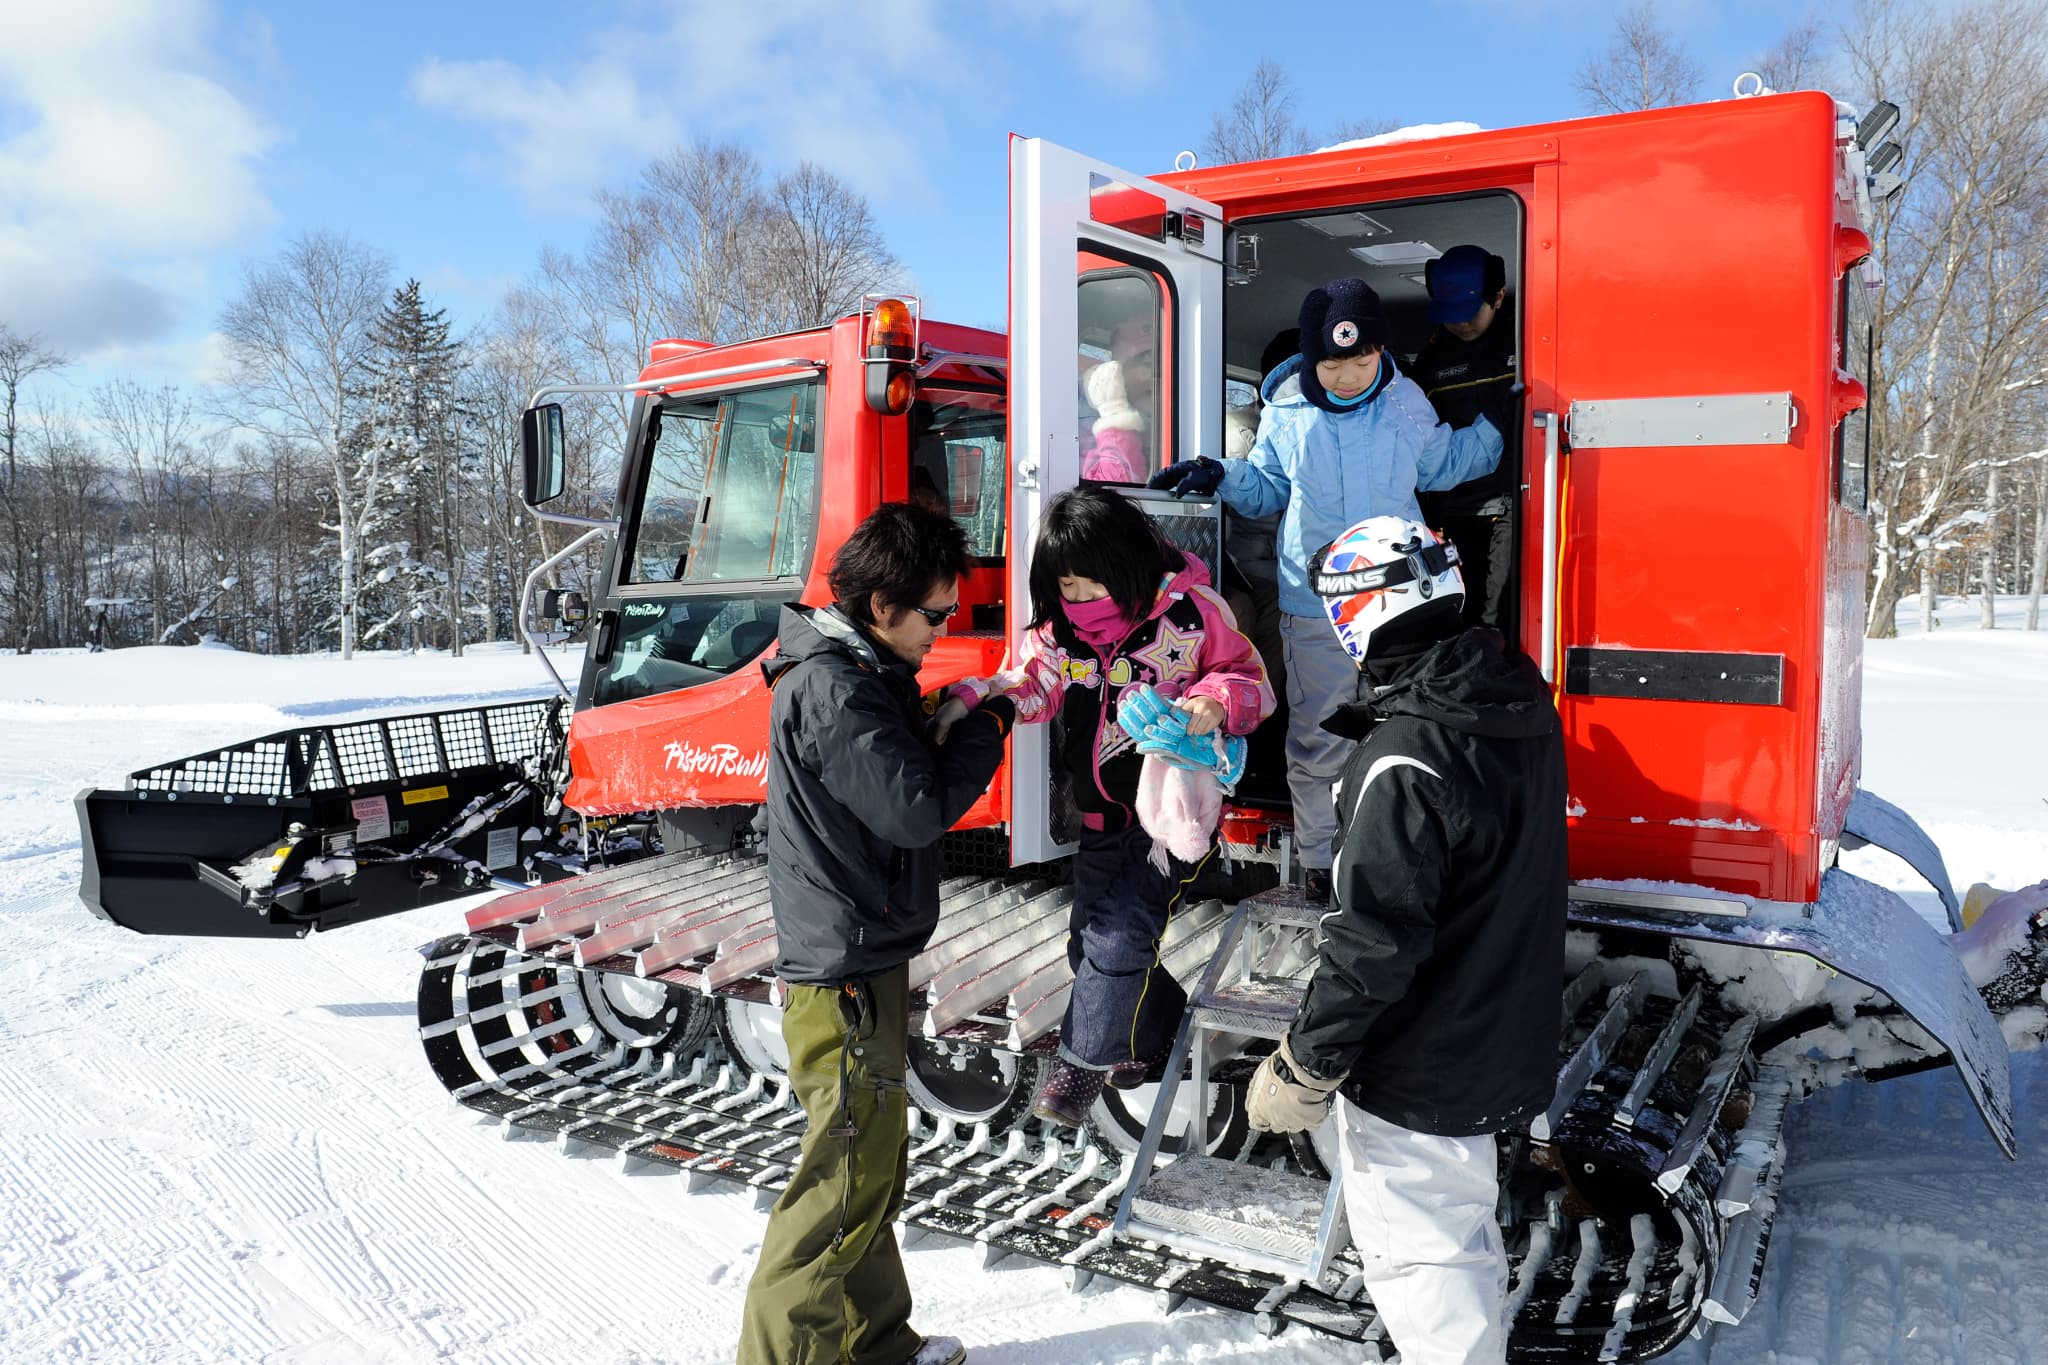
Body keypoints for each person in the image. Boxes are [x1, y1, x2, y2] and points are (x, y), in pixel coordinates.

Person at [1243, 515, 1567, 1365]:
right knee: (1460, 1236)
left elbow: (1369, 942)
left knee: (1422, 1259)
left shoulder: (1404, 754)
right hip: (1503, 1029)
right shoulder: (1516, 703)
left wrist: (1305, 1064)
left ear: (1356, 616)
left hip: (1421, 1062)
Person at [737, 502, 1016, 1365]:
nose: (942, 630)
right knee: (839, 1178)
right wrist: (989, 727)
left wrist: (942, 710)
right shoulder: (833, 685)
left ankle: (876, 1342)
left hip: (864, 951)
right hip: (844, 967)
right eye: (935, 614)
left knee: (871, 1165)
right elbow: (917, 808)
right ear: (881, 605)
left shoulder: (857, 671)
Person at [1148, 279, 1510, 899]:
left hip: (1401, 601)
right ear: (1313, 358)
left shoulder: (1406, 404)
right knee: (1319, 734)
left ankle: (1404, 852)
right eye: (1333, 363)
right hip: (1315, 601)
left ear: (1380, 353)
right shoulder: (1287, 413)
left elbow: (1445, 463)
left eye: (1361, 360)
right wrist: (1219, 473)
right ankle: (1323, 865)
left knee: (1406, 726)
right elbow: (1266, 487)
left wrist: (1502, 425)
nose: (1347, 376)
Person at [935, 485, 1273, 1124]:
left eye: (1094, 586)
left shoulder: (1192, 614)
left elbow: (1251, 680)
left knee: (1119, 939)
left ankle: (1080, 1069)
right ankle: (1155, 1037)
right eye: (1069, 588)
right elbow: (1028, 681)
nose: (1083, 602)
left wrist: (1211, 703)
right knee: (1085, 946)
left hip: (1171, 817)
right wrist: (973, 700)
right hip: (1098, 817)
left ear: (1129, 566)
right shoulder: (1059, 632)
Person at [1413, 245, 1520, 631]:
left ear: (1498, 297)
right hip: (1455, 509)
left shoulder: (1528, 342)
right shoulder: (1430, 363)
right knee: (1461, 610)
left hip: (1513, 503)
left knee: (1500, 612)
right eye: (1449, 315)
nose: (1460, 324)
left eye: (1469, 313)